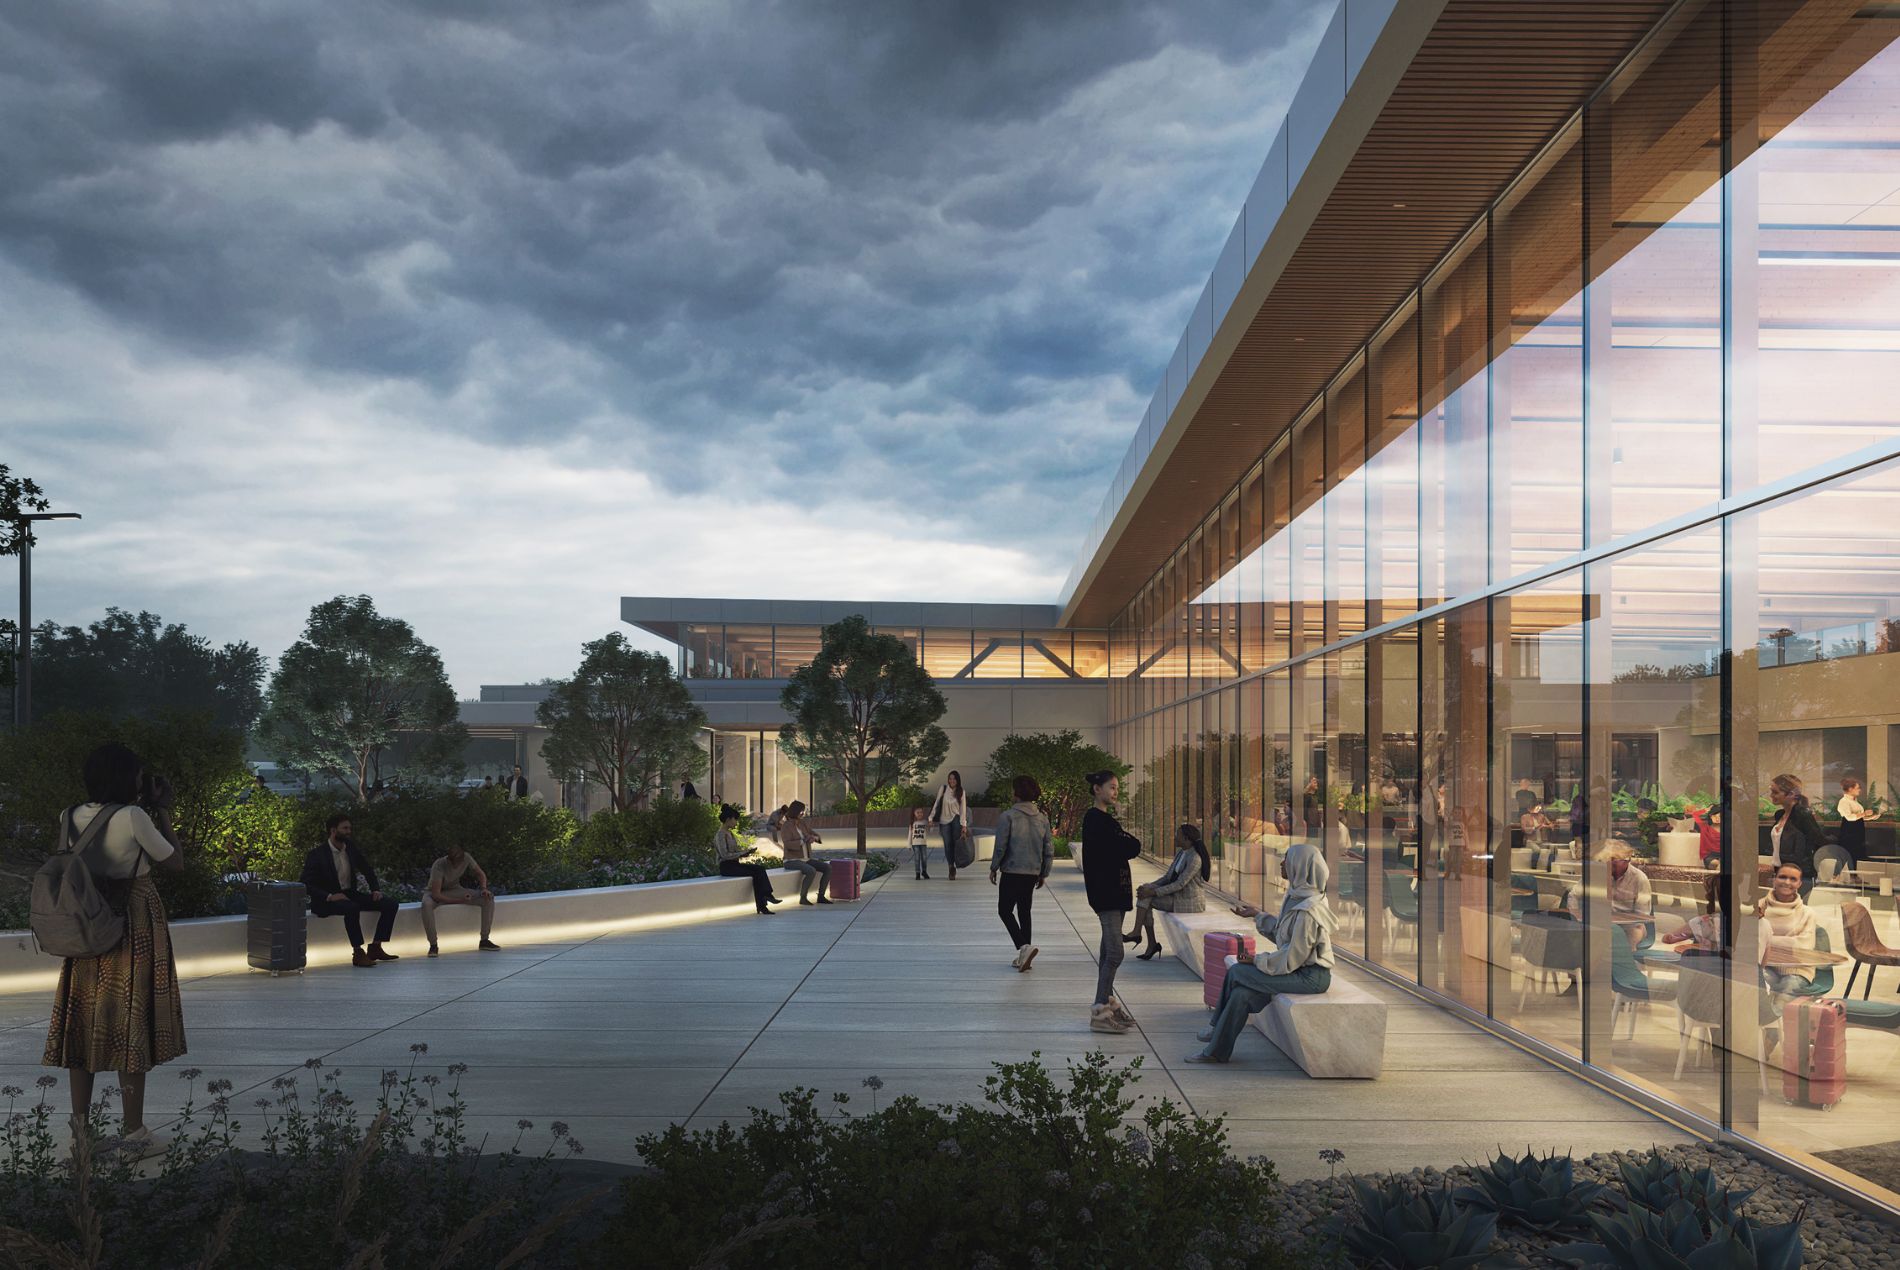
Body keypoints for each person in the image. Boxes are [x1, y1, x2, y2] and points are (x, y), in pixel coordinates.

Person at [42, 743, 189, 1160]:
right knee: (131, 1019)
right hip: (133, 921)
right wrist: (162, 810)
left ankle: (81, 1134)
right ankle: (133, 1132)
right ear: (128, 778)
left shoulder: (68, 815)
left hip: (87, 922)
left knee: (82, 1021)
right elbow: (174, 862)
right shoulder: (133, 816)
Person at [1186, 840, 1336, 1064]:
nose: (1282, 863)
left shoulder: (1308, 911)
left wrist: (1255, 960)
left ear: (1300, 867)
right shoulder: (1298, 898)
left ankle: (1214, 1027)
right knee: (1240, 995)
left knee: (1237, 971)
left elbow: (1292, 957)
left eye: (1288, 860)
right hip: (1296, 970)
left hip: (1310, 977)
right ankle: (1216, 1052)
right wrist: (1256, 914)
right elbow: (1282, 935)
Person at [1080, 770, 1142, 1034]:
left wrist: (1126, 840)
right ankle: (1099, 1008)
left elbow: (1131, 846)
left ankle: (1105, 1004)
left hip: (1116, 893)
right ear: (1097, 789)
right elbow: (1130, 846)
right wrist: (1126, 840)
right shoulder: (1096, 820)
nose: (1115, 792)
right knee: (1115, 951)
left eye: (1117, 788)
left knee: (1108, 950)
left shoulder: (1106, 821)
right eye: (1112, 787)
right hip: (1107, 894)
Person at [302, 814, 401, 967]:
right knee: (352, 908)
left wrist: (375, 889)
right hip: (325, 901)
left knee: (390, 904)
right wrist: (329, 896)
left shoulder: (351, 848)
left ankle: (375, 947)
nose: (349, 831)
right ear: (333, 830)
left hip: (349, 894)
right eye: (345, 828)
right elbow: (305, 883)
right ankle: (358, 952)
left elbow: (367, 869)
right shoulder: (317, 854)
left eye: (350, 828)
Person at [989, 776, 1053, 971]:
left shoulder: (1008, 816)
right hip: (1032, 872)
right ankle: (1025, 956)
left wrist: (994, 867)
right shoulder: (1042, 818)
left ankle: (1024, 947)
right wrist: (1044, 872)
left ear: (1017, 793)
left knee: (1005, 910)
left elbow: (1001, 846)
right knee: (1024, 911)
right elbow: (1048, 848)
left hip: (1012, 870)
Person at [1127, 824, 1211, 961]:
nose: (1175, 837)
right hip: (1177, 897)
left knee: (1146, 899)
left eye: (1177, 835)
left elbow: (1180, 884)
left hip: (1189, 902)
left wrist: (1153, 892)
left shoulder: (1195, 858)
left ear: (1186, 838)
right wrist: (1149, 887)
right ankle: (1148, 941)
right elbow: (1167, 877)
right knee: (1145, 895)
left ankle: (1140, 935)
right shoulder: (1181, 853)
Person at [421, 843, 500, 956]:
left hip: (455, 889)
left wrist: (483, 889)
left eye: (458, 862)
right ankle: (433, 945)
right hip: (434, 892)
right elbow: (436, 895)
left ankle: (484, 940)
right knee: (426, 905)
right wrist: (460, 900)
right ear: (449, 859)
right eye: (453, 862)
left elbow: (480, 874)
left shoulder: (467, 857)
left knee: (487, 898)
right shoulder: (439, 865)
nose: (456, 865)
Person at [1756, 862, 1820, 999]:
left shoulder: (1807, 913)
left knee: (1787, 989)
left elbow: (1802, 947)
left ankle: (1775, 1019)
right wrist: (1788, 942)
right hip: (1766, 966)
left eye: (1793, 879)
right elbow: (1750, 942)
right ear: (1774, 879)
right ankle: (1765, 1018)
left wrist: (1767, 940)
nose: (1787, 882)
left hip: (1797, 970)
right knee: (1755, 985)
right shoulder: (1759, 907)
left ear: (1799, 884)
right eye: (1782, 877)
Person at [716, 804, 781, 915]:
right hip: (727, 867)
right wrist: (742, 853)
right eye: (735, 820)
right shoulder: (720, 835)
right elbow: (725, 855)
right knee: (756, 873)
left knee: (759, 869)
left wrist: (746, 852)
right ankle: (764, 902)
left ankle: (764, 900)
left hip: (734, 864)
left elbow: (735, 851)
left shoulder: (730, 833)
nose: (736, 823)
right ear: (728, 819)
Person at [1768, 773, 1823, 892]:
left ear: (1791, 794)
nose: (1771, 795)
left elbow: (1818, 841)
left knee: (1794, 907)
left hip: (1797, 873)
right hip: (1780, 870)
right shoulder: (1779, 815)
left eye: (1775, 792)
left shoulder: (1803, 816)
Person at [778, 801, 830, 905]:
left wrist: (813, 838)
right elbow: (787, 844)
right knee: (811, 871)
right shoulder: (786, 826)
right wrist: (803, 841)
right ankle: (803, 897)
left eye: (803, 811)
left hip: (806, 859)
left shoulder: (803, 824)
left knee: (828, 867)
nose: (803, 813)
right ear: (795, 811)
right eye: (801, 811)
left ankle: (821, 896)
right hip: (792, 860)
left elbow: (816, 835)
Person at [928, 771, 971, 880]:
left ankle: (957, 862)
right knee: (948, 845)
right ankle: (951, 867)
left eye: (954, 779)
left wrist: (964, 825)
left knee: (955, 843)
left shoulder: (961, 791)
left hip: (956, 819)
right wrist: (931, 817)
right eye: (950, 778)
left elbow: (963, 809)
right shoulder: (943, 789)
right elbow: (937, 803)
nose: (951, 781)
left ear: (957, 780)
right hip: (944, 821)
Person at [1837, 777, 1876, 866]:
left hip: (1857, 830)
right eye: (1858, 788)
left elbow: (1859, 817)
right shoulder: (1844, 802)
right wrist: (1864, 814)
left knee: (1858, 852)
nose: (1860, 790)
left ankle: (1855, 876)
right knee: (1850, 852)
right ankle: (1848, 875)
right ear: (1850, 789)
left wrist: (1871, 817)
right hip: (1849, 831)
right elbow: (1849, 817)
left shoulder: (1855, 801)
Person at [908, 805, 933, 880]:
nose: (920, 814)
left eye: (921, 812)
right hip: (915, 844)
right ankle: (917, 872)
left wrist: (931, 826)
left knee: (924, 858)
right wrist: (909, 845)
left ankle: (924, 871)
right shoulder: (913, 823)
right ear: (914, 814)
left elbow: (930, 831)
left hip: (923, 843)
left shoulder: (925, 822)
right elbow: (910, 835)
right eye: (917, 812)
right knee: (917, 858)